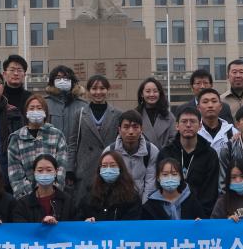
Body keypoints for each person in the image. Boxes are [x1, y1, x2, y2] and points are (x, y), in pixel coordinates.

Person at [68, 75, 122, 205]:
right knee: (83, 207)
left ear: (107, 90)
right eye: (94, 88)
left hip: (108, 169)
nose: (98, 92)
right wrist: (70, 169)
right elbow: (72, 143)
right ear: (88, 91)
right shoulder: (80, 113)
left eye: (102, 88)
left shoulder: (117, 114)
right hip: (85, 170)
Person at [159, 106, 220, 215]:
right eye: (184, 121)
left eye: (192, 121)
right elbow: (158, 185)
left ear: (200, 126)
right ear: (177, 126)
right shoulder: (166, 153)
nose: (188, 125)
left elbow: (211, 192)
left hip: (199, 217)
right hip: (169, 214)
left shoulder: (210, 154)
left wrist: (201, 215)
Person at [7, 94, 70, 198]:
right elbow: (15, 172)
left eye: (39, 108)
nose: (35, 111)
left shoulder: (57, 135)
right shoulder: (16, 138)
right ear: (26, 112)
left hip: (53, 195)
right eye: (32, 108)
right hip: (26, 199)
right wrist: (29, 197)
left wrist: (52, 192)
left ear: (45, 112)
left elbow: (61, 167)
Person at [106, 109, 159, 202]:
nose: (131, 131)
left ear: (141, 129)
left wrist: (144, 206)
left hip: (143, 203)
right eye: (126, 127)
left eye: (135, 127)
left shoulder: (151, 151)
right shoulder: (110, 152)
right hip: (116, 202)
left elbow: (150, 185)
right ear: (119, 130)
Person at [12, 154, 79, 224]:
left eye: (49, 170)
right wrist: (42, 225)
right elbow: (20, 228)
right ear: (34, 173)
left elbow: (76, 225)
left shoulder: (67, 201)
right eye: (40, 170)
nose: (44, 173)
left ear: (56, 172)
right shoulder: (23, 204)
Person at [80, 150, 142, 221]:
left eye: (113, 165)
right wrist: (86, 221)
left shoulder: (131, 197)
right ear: (99, 169)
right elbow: (79, 217)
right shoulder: (90, 195)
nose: (108, 169)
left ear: (120, 168)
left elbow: (132, 222)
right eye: (104, 166)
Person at [141, 157, 206, 220]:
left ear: (180, 177)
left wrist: (199, 222)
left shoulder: (191, 201)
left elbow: (203, 221)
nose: (170, 178)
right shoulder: (150, 206)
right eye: (165, 174)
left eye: (174, 174)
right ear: (158, 178)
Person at [45, 64, 88, 144]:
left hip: (75, 150)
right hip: (51, 149)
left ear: (72, 81)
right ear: (52, 81)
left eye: (66, 78)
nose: (62, 81)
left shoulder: (83, 105)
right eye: (58, 78)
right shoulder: (45, 103)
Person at [196, 88, 239, 155]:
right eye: (205, 102)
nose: (210, 105)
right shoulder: (194, 131)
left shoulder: (232, 132)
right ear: (198, 108)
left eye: (214, 101)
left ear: (220, 106)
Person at [136, 77, 174, 151]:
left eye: (155, 91)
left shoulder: (169, 117)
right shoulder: (135, 115)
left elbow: (174, 139)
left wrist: (162, 153)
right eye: (148, 91)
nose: (152, 94)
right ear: (142, 94)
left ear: (160, 93)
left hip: (164, 156)